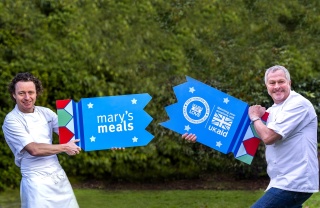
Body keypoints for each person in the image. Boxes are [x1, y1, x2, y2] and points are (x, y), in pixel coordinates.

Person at [183, 65, 319, 207]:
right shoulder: (272, 111)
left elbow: (268, 137)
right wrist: (200, 134)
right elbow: (240, 136)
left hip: (295, 181)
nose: (277, 86)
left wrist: (255, 117)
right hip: (283, 180)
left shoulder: (298, 104)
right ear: (267, 86)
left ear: (289, 83)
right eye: (272, 83)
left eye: (281, 81)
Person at [2, 72, 81, 208]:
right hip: (35, 182)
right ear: (14, 95)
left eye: (31, 92)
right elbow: (34, 149)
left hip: (59, 178)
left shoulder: (46, 112)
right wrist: (65, 147)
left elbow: (75, 134)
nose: (27, 97)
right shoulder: (11, 120)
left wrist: (108, 141)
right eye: (21, 93)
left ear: (36, 93)